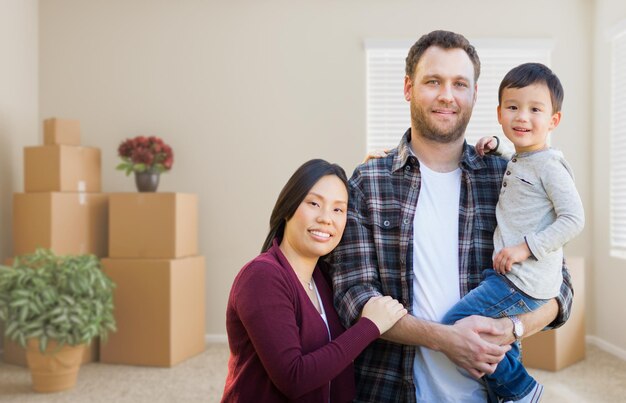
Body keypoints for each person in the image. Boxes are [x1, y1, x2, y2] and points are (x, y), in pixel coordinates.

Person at [328, 30, 574, 403]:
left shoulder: (505, 176)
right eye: (433, 81)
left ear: (475, 94)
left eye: (460, 83)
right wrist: (446, 339)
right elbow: (353, 295)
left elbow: (560, 285)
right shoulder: (368, 182)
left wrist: (513, 327)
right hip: (390, 390)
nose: (447, 95)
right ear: (409, 87)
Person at [440, 62, 585, 402]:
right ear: (500, 113)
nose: (522, 117)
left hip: (522, 278)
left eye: (535, 109)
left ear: (553, 120)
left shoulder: (551, 165)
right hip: (511, 275)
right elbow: (523, 178)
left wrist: (525, 248)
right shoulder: (522, 158)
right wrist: (497, 148)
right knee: (502, 340)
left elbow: (573, 218)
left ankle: (520, 388)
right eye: (513, 107)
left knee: (455, 324)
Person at [221, 159, 407, 403]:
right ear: (288, 207)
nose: (326, 218)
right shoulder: (262, 277)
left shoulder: (323, 278)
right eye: (314, 203)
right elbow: (294, 378)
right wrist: (369, 326)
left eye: (338, 209)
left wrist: (378, 168)